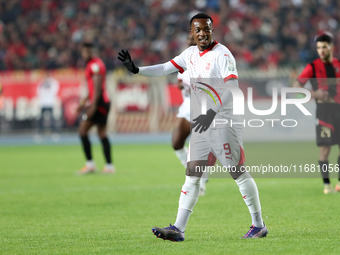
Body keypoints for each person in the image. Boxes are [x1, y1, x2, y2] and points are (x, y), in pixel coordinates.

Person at [118, 13, 267, 240]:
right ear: (192, 33)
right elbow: (165, 68)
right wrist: (137, 70)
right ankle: (178, 228)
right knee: (192, 175)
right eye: (197, 30)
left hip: (223, 120)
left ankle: (259, 225)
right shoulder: (189, 54)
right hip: (202, 123)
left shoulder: (222, 55)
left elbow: (232, 89)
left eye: (206, 29)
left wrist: (211, 113)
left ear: (212, 30)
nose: (202, 33)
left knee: (237, 172)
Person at [293, 32, 340, 194]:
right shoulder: (312, 67)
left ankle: (339, 183)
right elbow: (296, 88)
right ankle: (327, 185)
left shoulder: (338, 65)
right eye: (319, 47)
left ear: (331, 47)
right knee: (325, 149)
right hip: (324, 112)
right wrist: (314, 94)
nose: (321, 50)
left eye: (324, 47)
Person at [173, 34, 216, 196]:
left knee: (198, 149)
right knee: (176, 142)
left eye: (193, 41)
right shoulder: (184, 59)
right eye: (189, 41)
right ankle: (194, 172)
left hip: (203, 107)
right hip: (186, 106)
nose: (190, 44)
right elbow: (179, 80)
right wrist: (181, 84)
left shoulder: (209, 60)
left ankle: (200, 180)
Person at [77, 42, 114, 174]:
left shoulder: (95, 65)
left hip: (100, 103)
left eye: (86, 52)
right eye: (83, 52)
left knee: (82, 130)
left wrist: (93, 106)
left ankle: (90, 164)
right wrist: (83, 103)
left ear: (91, 52)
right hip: (100, 102)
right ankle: (109, 166)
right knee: (101, 133)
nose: (84, 54)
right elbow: (92, 89)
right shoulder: (92, 64)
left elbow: (98, 88)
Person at [36, 70, 59, 137]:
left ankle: (54, 132)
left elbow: (55, 89)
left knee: (52, 118)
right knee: (41, 118)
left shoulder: (53, 82)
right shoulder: (42, 83)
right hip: (43, 102)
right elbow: (38, 91)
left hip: (50, 102)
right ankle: (40, 132)